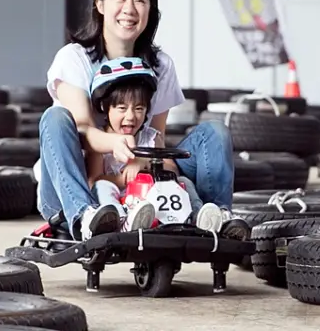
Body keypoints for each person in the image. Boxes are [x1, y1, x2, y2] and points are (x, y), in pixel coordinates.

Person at [33, 0, 250, 242]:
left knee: (215, 133)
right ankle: (86, 217)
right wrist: (118, 148)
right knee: (55, 118)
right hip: (77, 185)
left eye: (140, 0)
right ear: (100, 4)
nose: (130, 9)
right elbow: (84, 131)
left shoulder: (160, 66)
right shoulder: (74, 58)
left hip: (139, 177)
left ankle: (216, 218)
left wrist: (149, 167)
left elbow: (156, 138)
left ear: (150, 11)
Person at [87, 55, 229, 232]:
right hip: (123, 200)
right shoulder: (101, 141)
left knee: (183, 180)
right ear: (105, 108)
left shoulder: (150, 138)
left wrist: (145, 162)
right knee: (102, 186)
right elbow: (94, 181)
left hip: (154, 200)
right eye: (122, 108)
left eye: (139, 109)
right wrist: (124, 179)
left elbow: (173, 169)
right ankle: (120, 221)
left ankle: (198, 217)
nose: (131, 117)